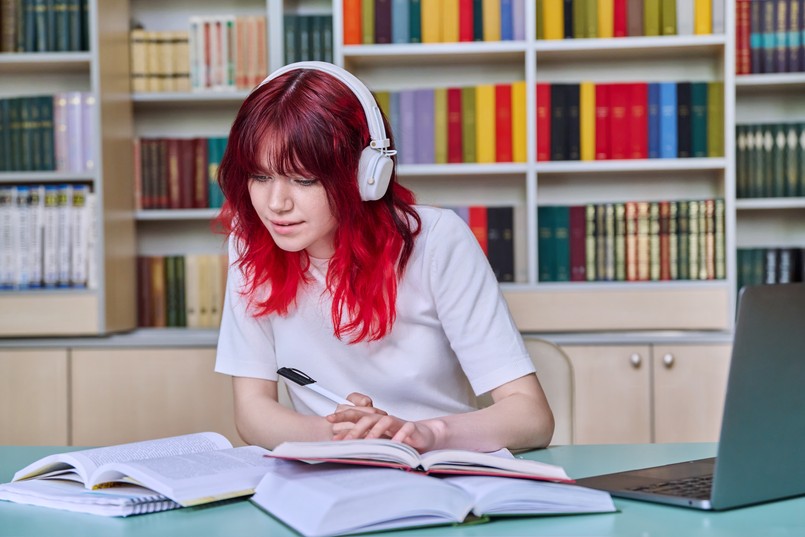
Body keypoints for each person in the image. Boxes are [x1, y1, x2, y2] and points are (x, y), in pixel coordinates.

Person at [214, 61, 554, 454]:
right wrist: (353, 437)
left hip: (442, 467)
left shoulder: (437, 241)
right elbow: (252, 411)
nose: (276, 204)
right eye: (260, 177)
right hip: (329, 475)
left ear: (365, 175)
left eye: (304, 180)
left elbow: (531, 417)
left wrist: (423, 434)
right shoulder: (252, 245)